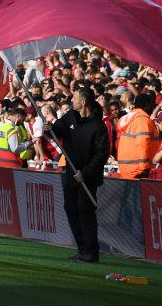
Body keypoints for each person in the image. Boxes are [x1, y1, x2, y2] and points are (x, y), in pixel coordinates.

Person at [47, 88, 110, 263]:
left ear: (83, 102)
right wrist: (49, 129)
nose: (71, 100)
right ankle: (82, 249)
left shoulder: (98, 126)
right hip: (71, 174)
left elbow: (101, 155)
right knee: (71, 210)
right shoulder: (70, 117)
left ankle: (91, 251)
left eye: (74, 98)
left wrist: (86, 172)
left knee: (85, 211)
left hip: (87, 177)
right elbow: (56, 130)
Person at [116, 91, 158, 178]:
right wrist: (145, 169)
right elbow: (143, 144)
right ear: (146, 104)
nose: (152, 108)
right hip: (138, 171)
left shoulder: (131, 118)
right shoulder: (143, 120)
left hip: (127, 169)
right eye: (151, 105)